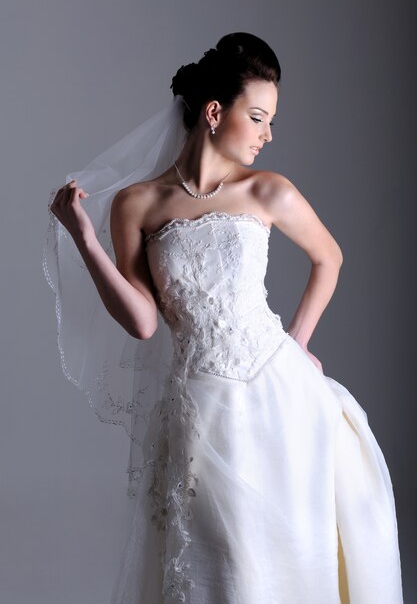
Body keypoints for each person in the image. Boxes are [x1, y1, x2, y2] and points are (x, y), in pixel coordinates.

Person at [46, 33, 403, 604]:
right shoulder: (136, 204)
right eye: (258, 117)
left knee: (281, 549)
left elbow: (328, 258)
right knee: (223, 561)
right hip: (198, 405)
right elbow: (142, 320)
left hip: (277, 394)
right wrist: (85, 240)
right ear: (215, 112)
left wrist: (298, 342)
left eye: (271, 121)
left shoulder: (268, 191)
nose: (268, 134)